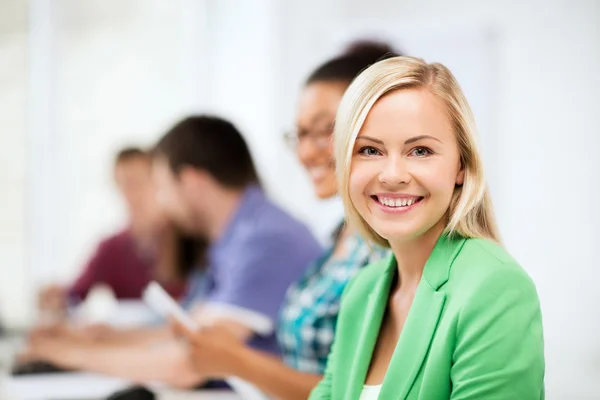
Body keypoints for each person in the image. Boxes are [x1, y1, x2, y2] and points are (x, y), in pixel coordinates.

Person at [303, 57, 546, 399]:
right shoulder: (364, 290)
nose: (392, 174)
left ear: (461, 165)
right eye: (369, 150)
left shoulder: (496, 288)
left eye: (420, 150)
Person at [22, 115, 322, 388]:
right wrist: (103, 338)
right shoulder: (232, 238)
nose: (162, 202)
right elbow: (188, 328)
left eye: (162, 187)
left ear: (191, 181)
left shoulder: (265, 240)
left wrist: (71, 354)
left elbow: (191, 360)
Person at [170, 42, 396, 399]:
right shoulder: (339, 237)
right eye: (300, 134)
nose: (306, 152)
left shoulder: (391, 251)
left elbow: (358, 393)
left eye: (325, 130)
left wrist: (237, 361)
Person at [37, 147, 189, 317]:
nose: (130, 194)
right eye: (122, 184)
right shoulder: (112, 247)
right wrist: (56, 298)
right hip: (130, 341)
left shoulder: (189, 237)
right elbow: (75, 294)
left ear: (160, 181)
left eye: (137, 182)